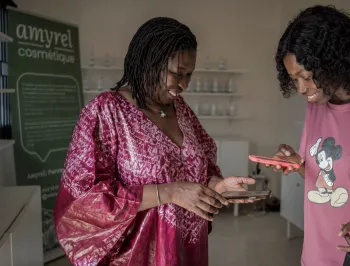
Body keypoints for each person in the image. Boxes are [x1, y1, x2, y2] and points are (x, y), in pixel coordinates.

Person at [54, 17, 256, 266]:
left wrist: (216, 185)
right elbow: (84, 200)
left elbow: (198, 168)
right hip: (137, 255)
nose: (184, 85)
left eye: (189, 75)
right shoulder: (106, 112)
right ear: (150, 63)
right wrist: (169, 192)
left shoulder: (181, 110)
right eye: (177, 73)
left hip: (188, 250)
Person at [271, 5, 350, 266]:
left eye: (305, 77)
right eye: (293, 79)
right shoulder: (316, 106)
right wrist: (296, 163)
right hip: (316, 256)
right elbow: (327, 176)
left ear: (334, 62)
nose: (300, 89)